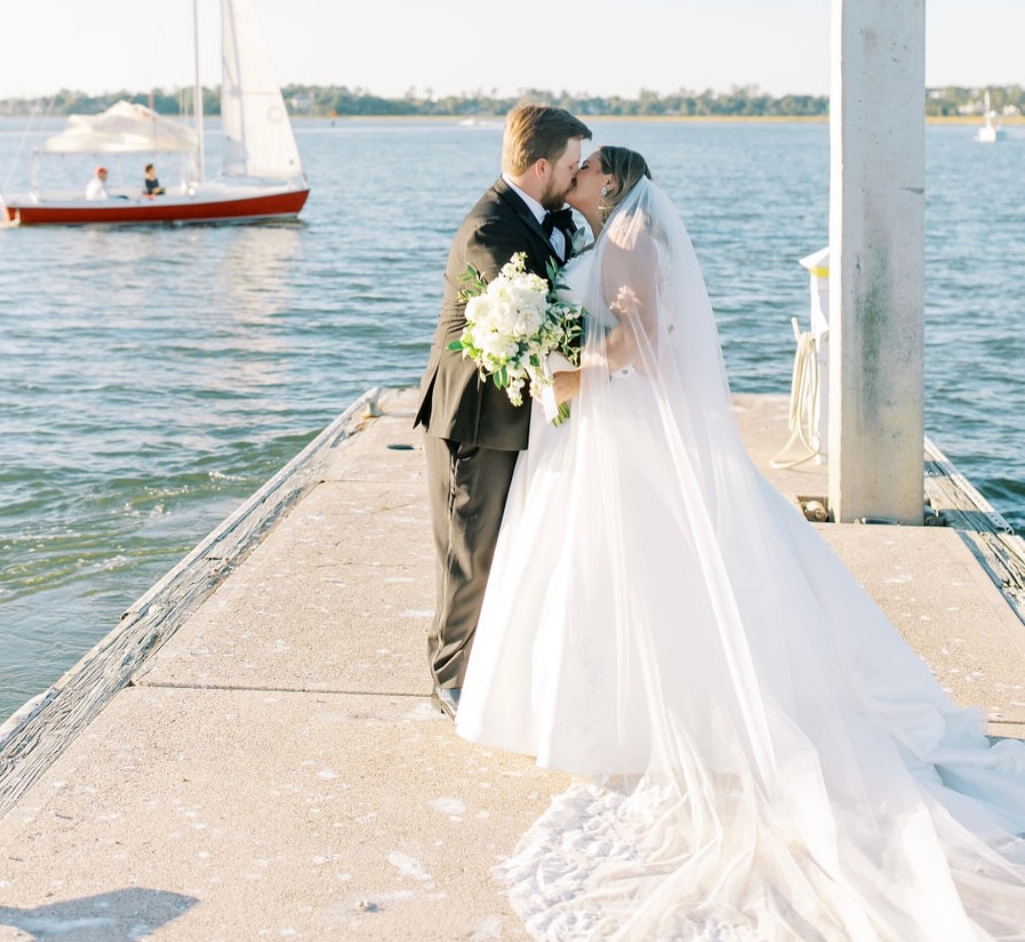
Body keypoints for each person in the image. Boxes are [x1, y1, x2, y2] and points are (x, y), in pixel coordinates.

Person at [457, 147, 1025, 939]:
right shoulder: (616, 239)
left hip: (629, 432)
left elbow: (634, 350)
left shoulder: (626, 241)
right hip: (620, 432)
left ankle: (646, 714)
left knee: (650, 570)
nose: (576, 175)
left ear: (610, 185)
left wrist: (560, 372)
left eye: (587, 170)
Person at [414, 103, 592, 721]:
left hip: (512, 407)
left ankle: (481, 664)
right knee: (469, 546)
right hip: (474, 413)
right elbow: (530, 316)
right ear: (541, 165)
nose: (576, 175)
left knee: (497, 543)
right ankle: (448, 675)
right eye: (571, 165)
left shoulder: (539, 214)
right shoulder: (490, 225)